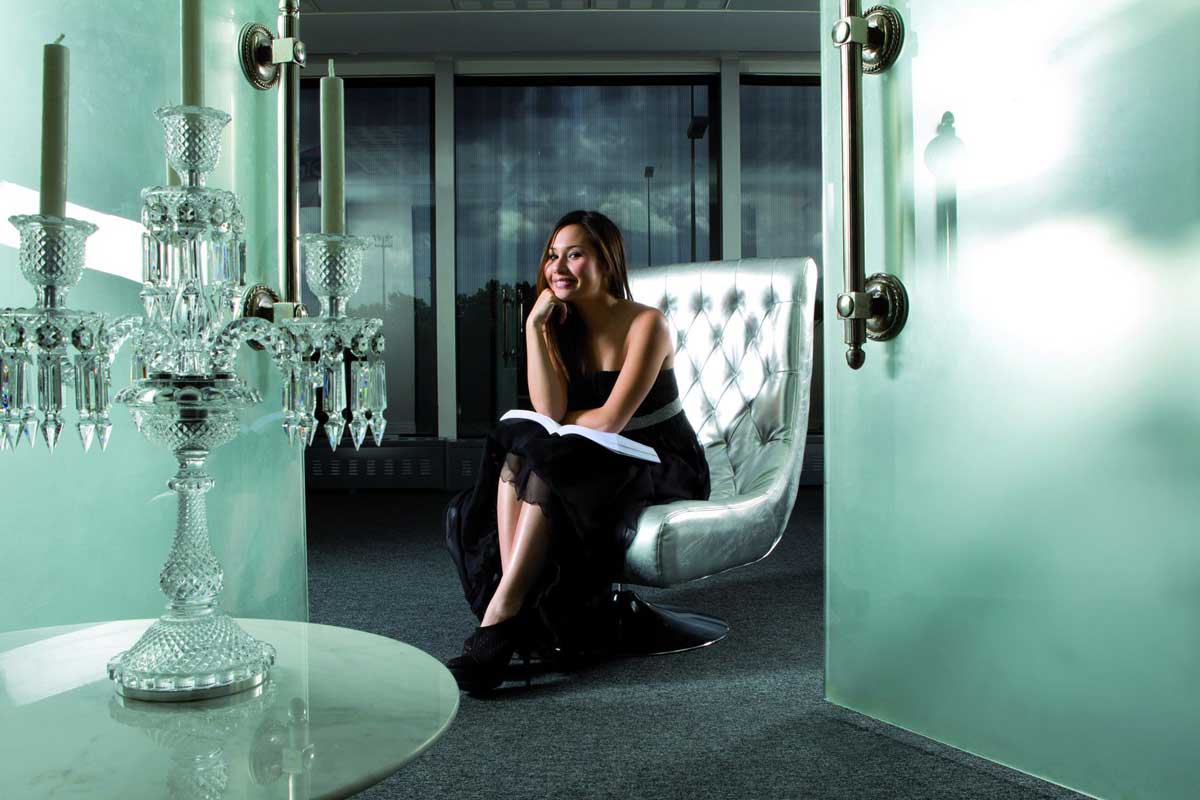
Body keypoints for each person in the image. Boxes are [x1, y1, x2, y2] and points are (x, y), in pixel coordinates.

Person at [444, 209, 710, 693]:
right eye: (552, 256)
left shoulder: (647, 324)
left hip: (660, 461)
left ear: (606, 263)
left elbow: (610, 421)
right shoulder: (561, 325)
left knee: (545, 456)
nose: (558, 268)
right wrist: (534, 327)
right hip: (593, 455)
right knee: (520, 451)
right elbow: (548, 410)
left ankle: (501, 618)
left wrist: (562, 421)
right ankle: (511, 613)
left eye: (575, 255)